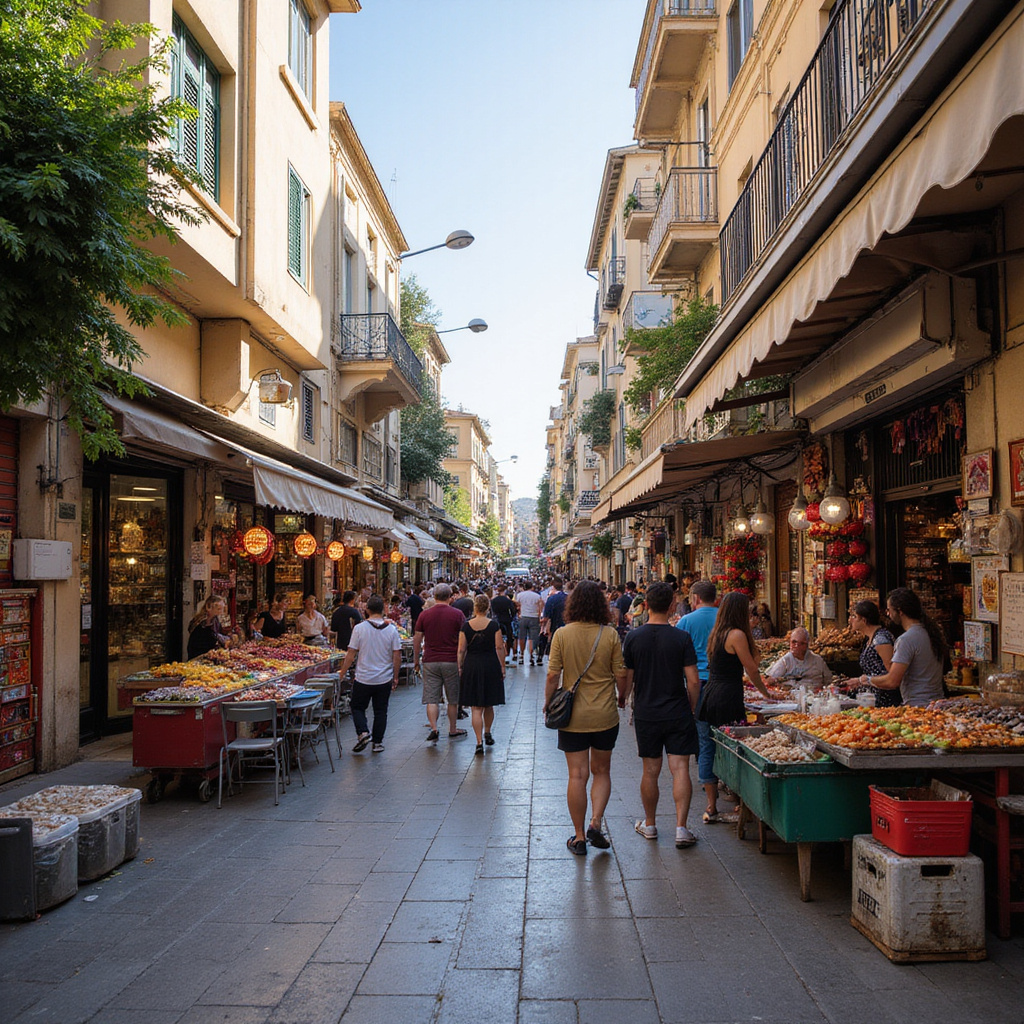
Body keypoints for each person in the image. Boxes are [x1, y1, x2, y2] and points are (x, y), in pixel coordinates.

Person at [544, 580, 627, 857]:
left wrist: (548, 702)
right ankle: (595, 823)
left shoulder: (562, 634)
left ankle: (579, 838)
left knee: (577, 775)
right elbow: (621, 673)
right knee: (601, 771)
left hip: (573, 715)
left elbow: (553, 674)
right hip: (605, 713)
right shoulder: (610, 634)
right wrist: (622, 697)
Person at [621, 582, 701, 849]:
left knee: (650, 770)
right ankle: (681, 828)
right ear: (671, 606)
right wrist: (692, 706)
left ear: (646, 605)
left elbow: (628, 678)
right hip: (677, 710)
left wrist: (624, 700)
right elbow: (693, 680)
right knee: (680, 769)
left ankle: (651, 824)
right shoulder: (681, 637)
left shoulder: (633, 637)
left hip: (647, 712)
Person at [677, 581, 731, 824]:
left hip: (697, 685)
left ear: (696, 597)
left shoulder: (686, 621)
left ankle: (711, 804)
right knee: (729, 740)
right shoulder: (725, 618)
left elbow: (677, 654)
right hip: (725, 685)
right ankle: (734, 793)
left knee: (704, 742)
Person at [338, 595, 402, 753]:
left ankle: (363, 732)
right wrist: (395, 676)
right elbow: (397, 655)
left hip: (363, 677)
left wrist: (342, 672)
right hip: (384, 678)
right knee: (381, 710)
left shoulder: (359, 628)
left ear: (367, 610)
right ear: (383, 610)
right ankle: (378, 743)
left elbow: (351, 653)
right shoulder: (392, 630)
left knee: (357, 706)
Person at [860, 587, 946, 706]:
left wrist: (866, 680)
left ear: (900, 611)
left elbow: (892, 681)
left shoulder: (906, 640)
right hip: (936, 701)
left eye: (889, 610)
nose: (888, 614)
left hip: (918, 705)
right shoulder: (931, 633)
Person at [699, 592, 771, 732]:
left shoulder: (718, 632)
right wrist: (765, 693)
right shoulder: (737, 635)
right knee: (730, 741)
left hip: (712, 692)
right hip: (727, 696)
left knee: (711, 746)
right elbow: (752, 669)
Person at [413, 583, 468, 742]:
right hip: (451, 660)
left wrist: (416, 659)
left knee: (432, 697)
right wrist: (463, 661)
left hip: (430, 660)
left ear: (434, 596)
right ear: (450, 597)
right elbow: (463, 639)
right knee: (452, 698)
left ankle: (434, 727)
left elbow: (417, 638)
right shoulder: (458, 614)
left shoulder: (424, 615)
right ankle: (452, 728)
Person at [458, 593, 507, 755]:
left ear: (475, 607)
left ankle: (479, 741)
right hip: (490, 664)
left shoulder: (466, 626)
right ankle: (488, 731)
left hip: (472, 665)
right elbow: (499, 647)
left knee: (476, 707)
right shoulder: (494, 626)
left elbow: (461, 649)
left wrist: (460, 666)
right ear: (487, 607)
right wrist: (502, 666)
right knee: (489, 703)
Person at [849, 600, 900, 707]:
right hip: (873, 696)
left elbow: (892, 671)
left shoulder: (881, 639)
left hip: (885, 699)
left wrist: (864, 680)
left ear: (863, 620)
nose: (850, 620)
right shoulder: (869, 639)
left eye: (854, 616)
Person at [766, 628, 833, 689]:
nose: (797, 646)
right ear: (790, 643)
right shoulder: (786, 661)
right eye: (794, 642)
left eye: (802, 643)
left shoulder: (818, 660)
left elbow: (829, 681)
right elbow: (770, 680)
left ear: (807, 645)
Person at [515, 581, 544, 667]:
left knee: (522, 637)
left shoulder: (520, 595)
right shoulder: (537, 596)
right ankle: (531, 655)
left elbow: (517, 605)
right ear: (532, 587)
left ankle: (521, 655)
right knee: (532, 638)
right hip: (534, 617)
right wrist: (539, 616)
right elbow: (541, 606)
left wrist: (519, 613)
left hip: (523, 617)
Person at [490, 584, 517, 665]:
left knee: (497, 638)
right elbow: (513, 610)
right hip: (507, 620)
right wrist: (511, 617)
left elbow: (492, 611)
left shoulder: (493, 600)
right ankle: (507, 654)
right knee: (509, 637)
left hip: (497, 620)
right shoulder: (508, 600)